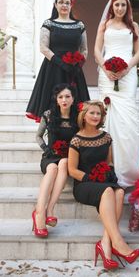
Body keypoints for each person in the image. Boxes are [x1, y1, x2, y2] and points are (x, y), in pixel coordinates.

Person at [68, 100, 139, 270]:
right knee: (109, 191)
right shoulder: (76, 140)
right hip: (84, 184)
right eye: (92, 113)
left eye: (98, 113)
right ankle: (118, 242)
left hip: (103, 181)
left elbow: (109, 163)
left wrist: (108, 173)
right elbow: (72, 170)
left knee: (120, 192)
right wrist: (91, 177)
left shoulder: (106, 137)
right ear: (84, 116)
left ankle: (105, 245)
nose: (95, 116)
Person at [94, 0, 139, 188]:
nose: (120, 8)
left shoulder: (133, 26)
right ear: (112, 6)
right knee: (108, 113)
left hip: (128, 74)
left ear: (127, 6)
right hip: (107, 73)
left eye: (124, 5)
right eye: (117, 4)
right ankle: (109, 164)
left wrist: (126, 68)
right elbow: (97, 50)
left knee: (128, 115)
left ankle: (131, 167)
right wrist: (105, 68)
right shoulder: (104, 25)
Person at [26, 0, 90, 122]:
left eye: (67, 3)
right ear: (55, 5)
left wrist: (77, 66)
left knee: (76, 105)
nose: (64, 5)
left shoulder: (79, 25)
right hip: (53, 69)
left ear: (71, 5)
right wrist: (61, 63)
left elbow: (84, 49)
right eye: (61, 2)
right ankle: (53, 135)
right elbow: (43, 48)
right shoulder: (49, 24)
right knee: (53, 103)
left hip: (74, 70)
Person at [32, 83, 78, 237]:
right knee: (52, 168)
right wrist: (46, 149)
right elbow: (38, 136)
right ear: (56, 100)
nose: (64, 99)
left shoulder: (78, 117)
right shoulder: (48, 115)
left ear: (73, 99)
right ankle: (39, 213)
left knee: (64, 163)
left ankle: (50, 209)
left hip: (68, 159)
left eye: (67, 96)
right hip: (50, 157)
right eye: (60, 97)